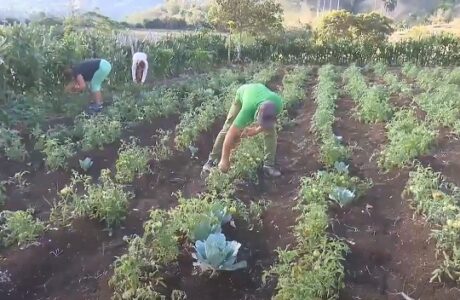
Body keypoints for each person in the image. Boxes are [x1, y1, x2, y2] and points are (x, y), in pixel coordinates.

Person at [202, 83, 283, 177]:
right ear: (256, 113)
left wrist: (256, 130)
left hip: (258, 92)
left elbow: (268, 122)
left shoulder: (278, 104)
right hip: (243, 93)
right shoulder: (247, 109)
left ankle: (268, 166)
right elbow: (230, 134)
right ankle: (211, 160)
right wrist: (225, 159)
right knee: (227, 128)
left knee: (270, 131)